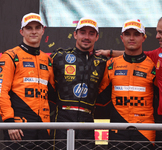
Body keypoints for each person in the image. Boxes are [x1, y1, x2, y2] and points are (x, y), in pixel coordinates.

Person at [96, 13, 162, 149]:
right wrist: (108, 52)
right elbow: (135, 54)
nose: (157, 36)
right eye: (127, 35)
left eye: (160, 33)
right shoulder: (158, 55)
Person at [0, 13, 55, 149]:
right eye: (29, 28)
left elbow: (54, 93)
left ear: (43, 31)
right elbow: (2, 91)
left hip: (44, 125)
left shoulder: (48, 60)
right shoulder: (10, 56)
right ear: (21, 32)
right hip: (19, 126)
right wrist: (9, 123)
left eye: (37, 28)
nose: (34, 31)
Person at [98, 19, 156, 150]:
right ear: (121, 38)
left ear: (143, 38)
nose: (131, 38)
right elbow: (100, 98)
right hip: (118, 129)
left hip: (145, 130)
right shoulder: (111, 64)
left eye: (136, 34)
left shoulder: (152, 65)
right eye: (127, 34)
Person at [51, 17, 107, 150]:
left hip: (87, 120)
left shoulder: (102, 62)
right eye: (82, 32)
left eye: (91, 33)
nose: (86, 37)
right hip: (62, 119)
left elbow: (131, 55)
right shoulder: (59, 57)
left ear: (97, 37)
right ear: (75, 34)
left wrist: (111, 52)